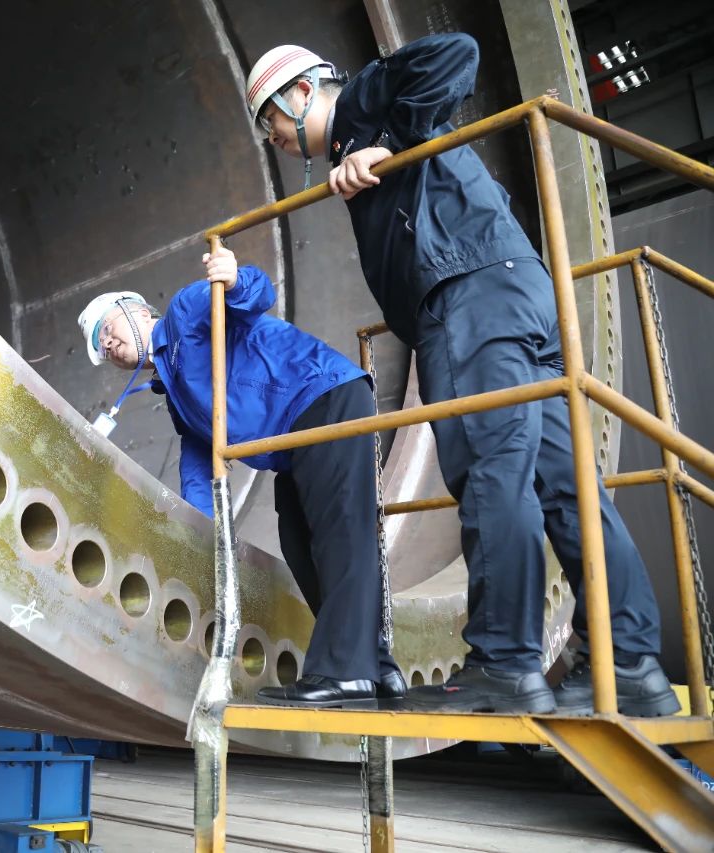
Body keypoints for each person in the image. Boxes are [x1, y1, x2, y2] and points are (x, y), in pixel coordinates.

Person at [242, 33, 679, 715]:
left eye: (270, 119)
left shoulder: (364, 105)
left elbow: (457, 53)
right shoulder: (364, 132)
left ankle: (504, 663)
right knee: (564, 486)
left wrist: (384, 142)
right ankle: (630, 661)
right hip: (519, 293)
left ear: (302, 92)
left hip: (468, 299)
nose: (274, 138)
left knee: (489, 470)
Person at [76, 247, 406, 708]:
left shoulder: (185, 313)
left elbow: (255, 294)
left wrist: (233, 278)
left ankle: (345, 673)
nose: (108, 345)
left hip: (322, 397)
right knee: (300, 544)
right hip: (292, 443)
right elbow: (198, 464)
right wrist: (204, 531)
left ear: (139, 313)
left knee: (340, 533)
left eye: (107, 330)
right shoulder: (177, 394)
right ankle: (377, 666)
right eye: (102, 348)